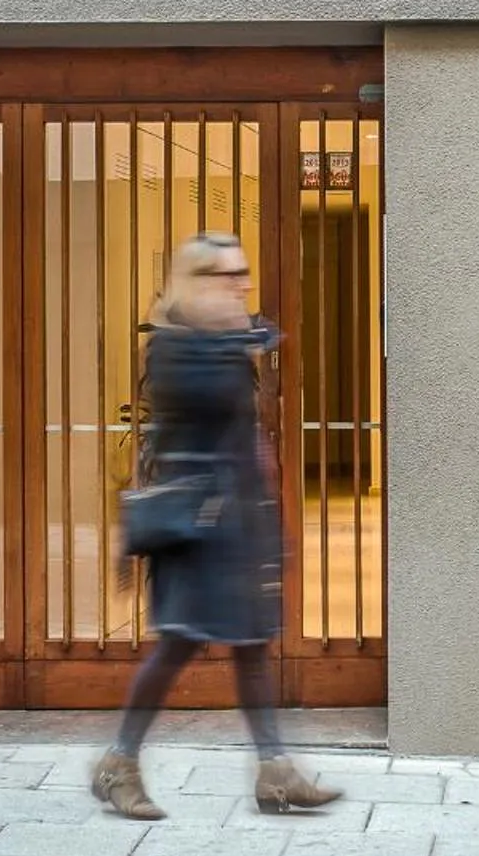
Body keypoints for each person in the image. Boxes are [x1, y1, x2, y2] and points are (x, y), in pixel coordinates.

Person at [91, 233, 342, 819]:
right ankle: (119, 763)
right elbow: (197, 404)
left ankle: (276, 772)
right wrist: (237, 339)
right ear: (197, 282)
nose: (241, 284)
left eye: (243, 273)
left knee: (251, 646)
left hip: (236, 523)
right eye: (229, 275)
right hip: (195, 530)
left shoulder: (225, 344)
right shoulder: (174, 349)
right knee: (178, 645)